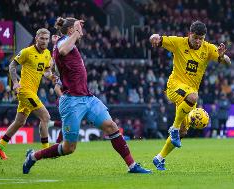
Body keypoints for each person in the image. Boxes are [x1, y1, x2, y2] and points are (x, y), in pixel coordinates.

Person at [23, 17, 151, 174]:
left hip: (88, 98)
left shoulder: (67, 43)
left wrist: (74, 33)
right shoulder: (62, 43)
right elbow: (62, 50)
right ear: (71, 30)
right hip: (72, 101)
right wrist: (75, 33)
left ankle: (132, 166)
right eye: (78, 27)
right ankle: (33, 157)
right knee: (69, 148)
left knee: (111, 126)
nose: (81, 31)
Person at [149, 20, 231, 169]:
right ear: (189, 35)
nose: (198, 41)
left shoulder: (208, 49)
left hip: (189, 92)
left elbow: (228, 62)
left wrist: (222, 57)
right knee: (193, 98)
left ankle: (159, 158)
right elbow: (158, 38)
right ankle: (173, 128)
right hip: (174, 86)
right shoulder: (178, 43)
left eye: (201, 38)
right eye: (196, 38)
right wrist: (153, 37)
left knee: (183, 131)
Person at [0, 28, 55, 160]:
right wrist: (15, 82)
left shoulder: (47, 54)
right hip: (24, 91)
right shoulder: (27, 52)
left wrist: (52, 77)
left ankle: (0, 147)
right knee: (45, 117)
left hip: (32, 92)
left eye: (46, 39)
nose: (44, 41)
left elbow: (46, 72)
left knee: (19, 122)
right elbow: (12, 66)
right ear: (36, 38)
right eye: (42, 38)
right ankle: (46, 151)